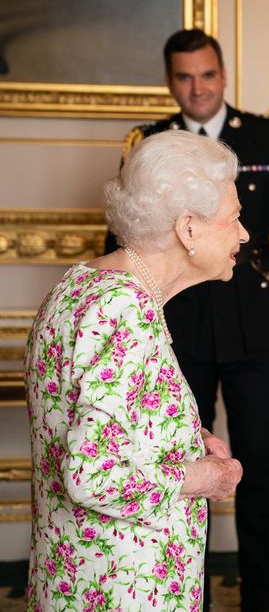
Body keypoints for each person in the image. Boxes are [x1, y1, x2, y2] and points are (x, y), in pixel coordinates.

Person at [107, 29, 269, 611]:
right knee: (180, 464)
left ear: (223, 76)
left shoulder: (268, 138)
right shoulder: (151, 144)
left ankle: (260, 597)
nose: (196, 88)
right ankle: (187, 596)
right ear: (170, 81)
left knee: (252, 460)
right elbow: (123, 241)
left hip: (256, 324)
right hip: (177, 329)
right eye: (184, 77)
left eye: (206, 75)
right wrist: (135, 320)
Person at [26, 131, 245, 611]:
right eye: (234, 219)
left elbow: (103, 416)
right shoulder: (120, 308)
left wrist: (186, 435)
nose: (244, 234)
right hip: (122, 589)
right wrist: (201, 477)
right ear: (188, 230)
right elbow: (92, 475)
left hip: (83, 578)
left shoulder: (84, 285)